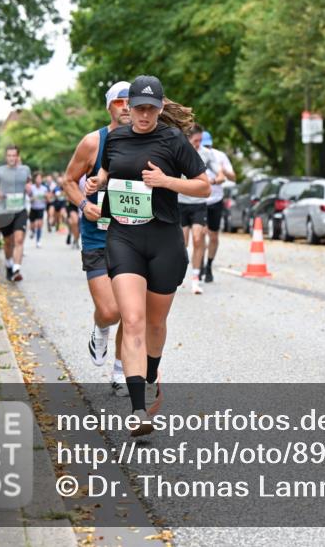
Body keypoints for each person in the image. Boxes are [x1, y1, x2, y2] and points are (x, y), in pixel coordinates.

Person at [85, 76, 209, 437]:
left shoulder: (172, 140)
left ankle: (151, 375)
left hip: (164, 240)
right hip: (123, 237)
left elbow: (203, 186)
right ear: (128, 107)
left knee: (155, 323)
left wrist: (167, 182)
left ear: (158, 109)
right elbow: (109, 171)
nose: (143, 114)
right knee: (133, 319)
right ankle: (138, 409)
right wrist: (98, 183)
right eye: (137, 107)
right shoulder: (116, 139)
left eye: (150, 109)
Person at [64, 81, 131, 396]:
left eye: (133, 101)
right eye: (120, 102)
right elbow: (68, 181)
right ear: (110, 107)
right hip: (97, 237)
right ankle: (100, 328)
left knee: (131, 312)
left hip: (133, 238)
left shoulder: (147, 142)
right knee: (110, 310)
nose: (127, 107)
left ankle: (120, 371)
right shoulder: (93, 142)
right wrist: (83, 204)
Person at [195, 131, 235, 285]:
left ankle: (209, 265)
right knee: (200, 235)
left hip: (216, 200)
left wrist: (223, 172)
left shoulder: (219, 156)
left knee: (213, 236)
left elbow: (233, 177)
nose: (206, 148)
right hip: (200, 201)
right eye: (203, 145)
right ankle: (200, 266)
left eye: (208, 145)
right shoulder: (194, 154)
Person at [178, 124, 211, 294]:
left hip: (198, 204)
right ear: (188, 139)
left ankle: (196, 278)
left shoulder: (206, 154)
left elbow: (218, 172)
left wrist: (219, 177)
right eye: (196, 141)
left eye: (200, 140)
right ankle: (178, 275)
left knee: (198, 239)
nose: (198, 144)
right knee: (182, 243)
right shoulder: (179, 152)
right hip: (181, 203)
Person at [0, 145, 32, 281]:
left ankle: (16, 269)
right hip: (4, 211)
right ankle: (9, 264)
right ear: (6, 157)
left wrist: (29, 187)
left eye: (14, 155)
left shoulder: (25, 170)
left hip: (20, 210)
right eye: (9, 156)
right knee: (8, 242)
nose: (11, 158)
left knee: (19, 240)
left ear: (17, 156)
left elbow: (28, 182)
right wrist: (0, 195)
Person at [28, 173, 49, 247]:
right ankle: (32, 231)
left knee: (39, 225)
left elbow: (48, 199)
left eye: (40, 179)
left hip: (41, 208)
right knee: (33, 225)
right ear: (35, 179)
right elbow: (28, 199)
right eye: (37, 179)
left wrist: (46, 197)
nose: (39, 180)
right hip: (33, 208)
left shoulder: (44, 188)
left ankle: (38, 240)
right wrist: (32, 199)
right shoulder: (31, 188)